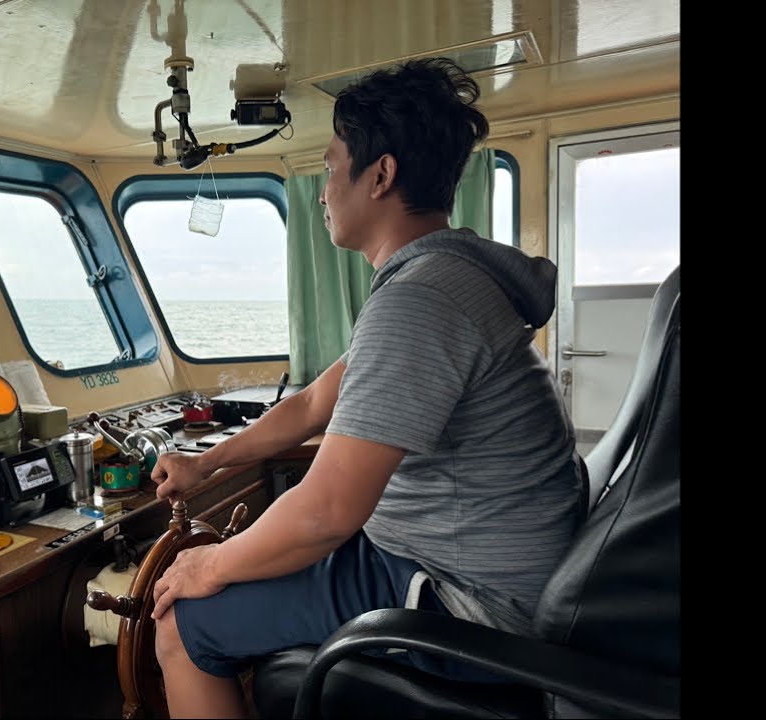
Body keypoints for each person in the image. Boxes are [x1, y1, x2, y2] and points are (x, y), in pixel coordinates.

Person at [148, 57, 583, 719]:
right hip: (471, 567)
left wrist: (209, 567)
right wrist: (204, 463)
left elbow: (327, 512)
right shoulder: (444, 279)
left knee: (183, 623)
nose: (323, 191)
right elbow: (315, 403)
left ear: (379, 175)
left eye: (328, 168)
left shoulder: (423, 301)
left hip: (469, 602)